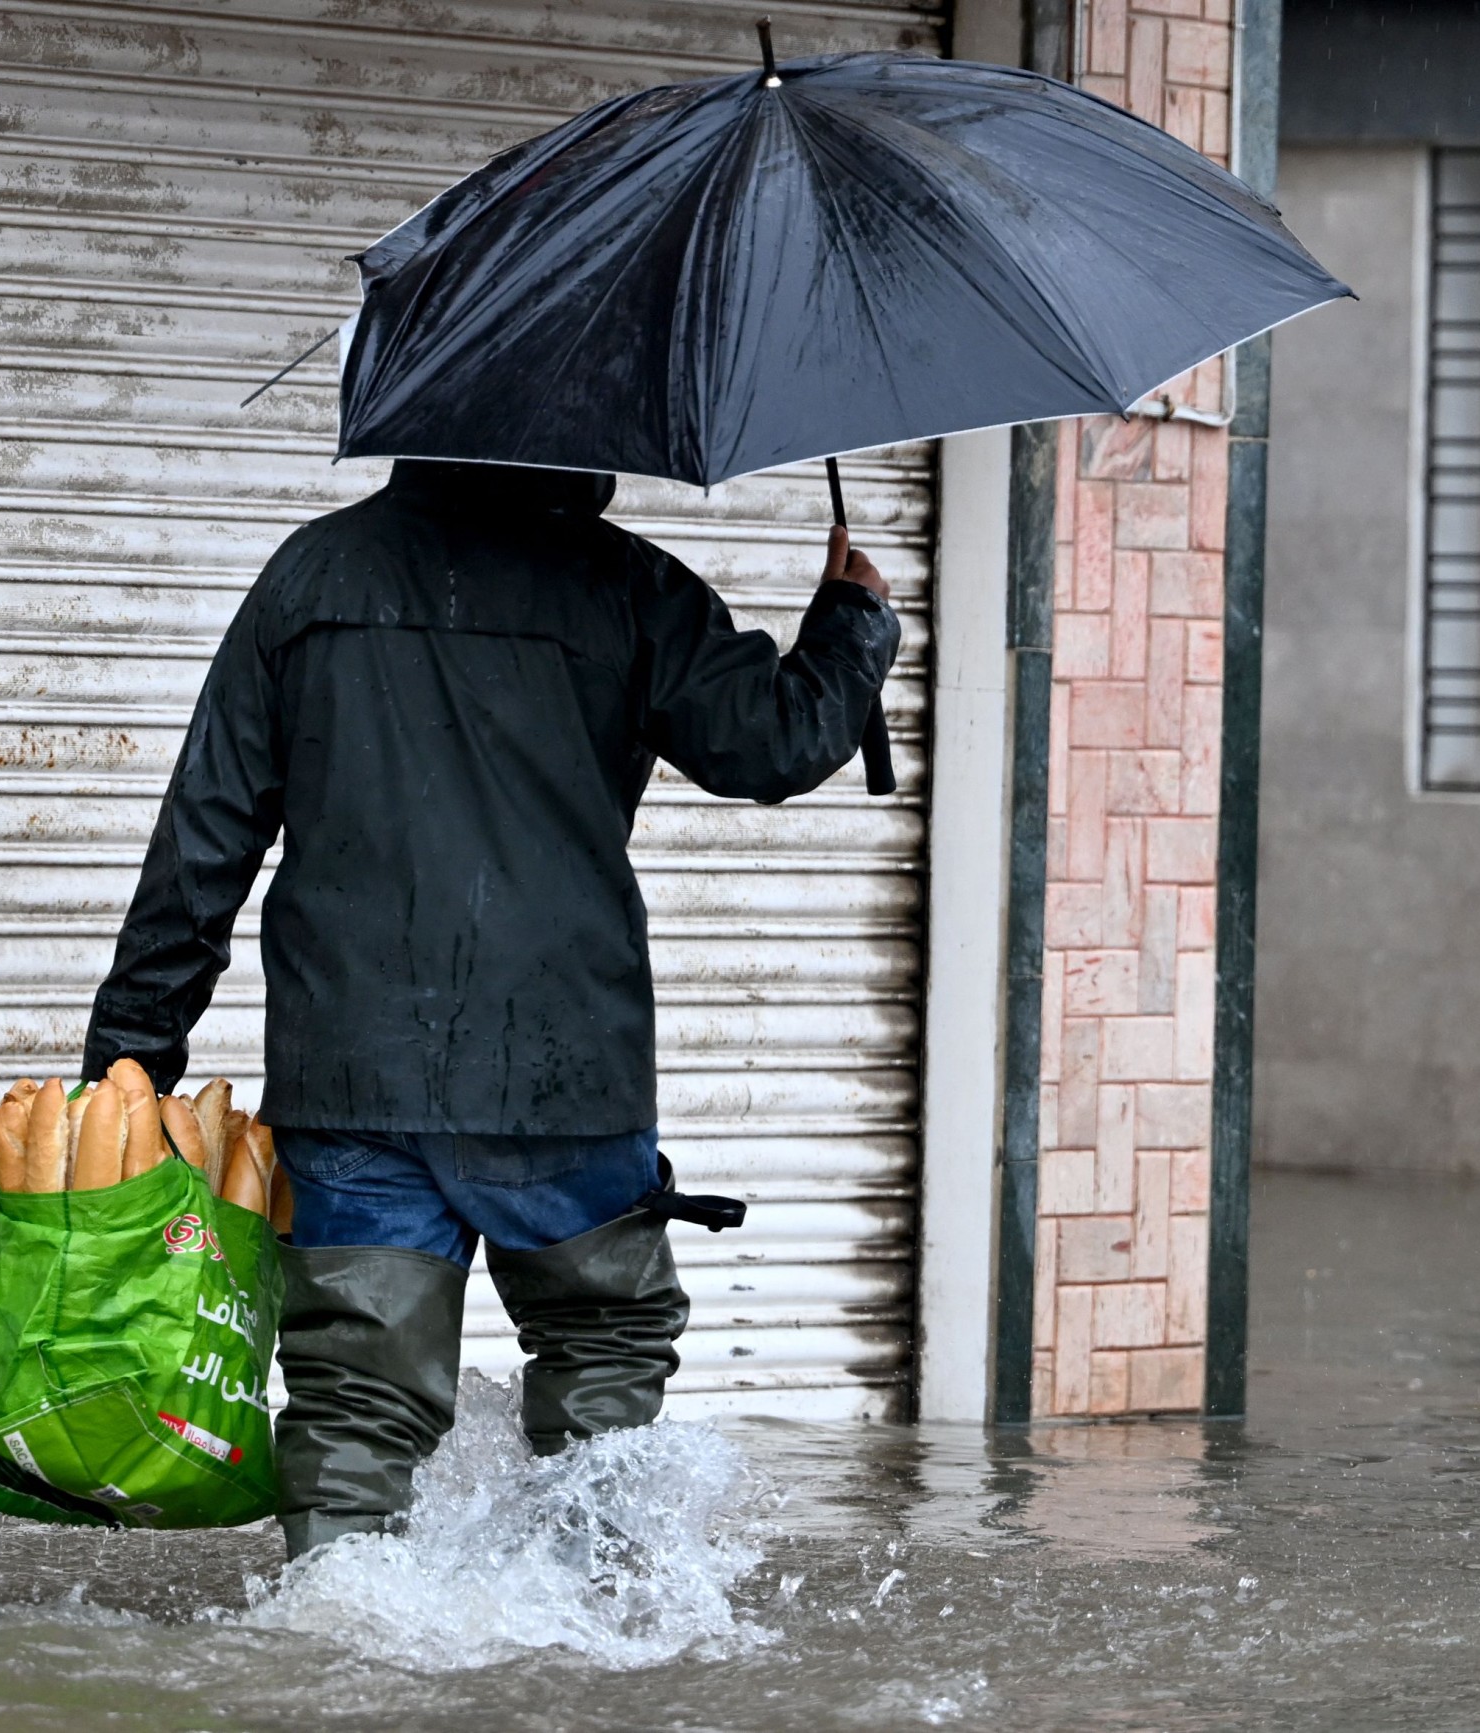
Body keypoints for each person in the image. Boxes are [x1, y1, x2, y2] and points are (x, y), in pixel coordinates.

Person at [80, 458, 897, 1559]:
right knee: (601, 1368)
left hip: (352, 1073)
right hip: (566, 1072)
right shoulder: (624, 585)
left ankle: (326, 1635)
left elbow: (202, 837)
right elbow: (774, 741)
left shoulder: (310, 578)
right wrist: (851, 620)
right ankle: (602, 1627)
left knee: (354, 1407)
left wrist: (128, 1068)